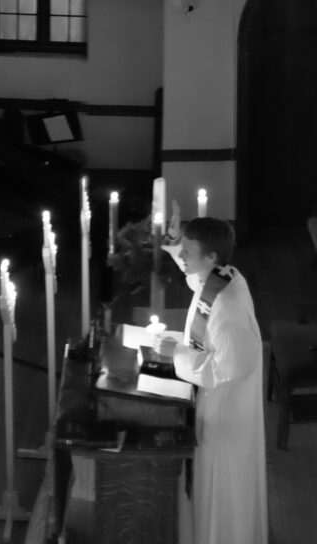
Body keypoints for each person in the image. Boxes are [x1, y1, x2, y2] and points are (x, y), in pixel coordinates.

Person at [159, 210, 267, 544]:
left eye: (188, 251)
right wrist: (175, 241)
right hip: (213, 403)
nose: (182, 257)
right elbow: (194, 276)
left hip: (227, 416)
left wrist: (176, 353)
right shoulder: (219, 276)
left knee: (223, 489)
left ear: (211, 256)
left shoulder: (229, 310)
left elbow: (230, 368)